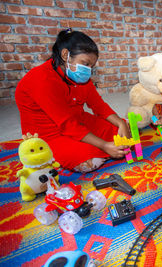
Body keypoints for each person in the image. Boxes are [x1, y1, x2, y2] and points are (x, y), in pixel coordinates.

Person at [15, 29, 130, 173]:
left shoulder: (80, 77)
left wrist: (120, 123)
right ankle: (101, 150)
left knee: (120, 133)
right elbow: (67, 124)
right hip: (49, 134)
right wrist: (105, 145)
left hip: (78, 120)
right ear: (65, 55)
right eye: (85, 63)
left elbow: (99, 106)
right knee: (89, 160)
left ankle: (106, 147)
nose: (88, 70)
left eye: (91, 67)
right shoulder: (41, 79)